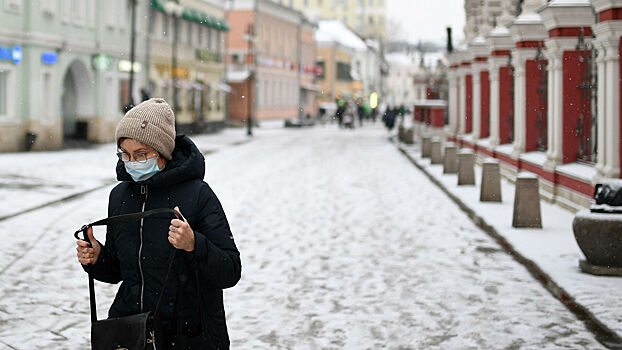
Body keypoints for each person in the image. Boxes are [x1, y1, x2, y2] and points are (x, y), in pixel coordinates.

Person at [76, 98, 241, 349]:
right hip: (134, 332)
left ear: (162, 151)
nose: (132, 162)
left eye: (141, 155)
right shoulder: (120, 196)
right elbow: (121, 272)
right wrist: (98, 258)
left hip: (190, 334)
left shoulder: (198, 194)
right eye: (126, 155)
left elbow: (230, 270)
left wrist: (194, 244)